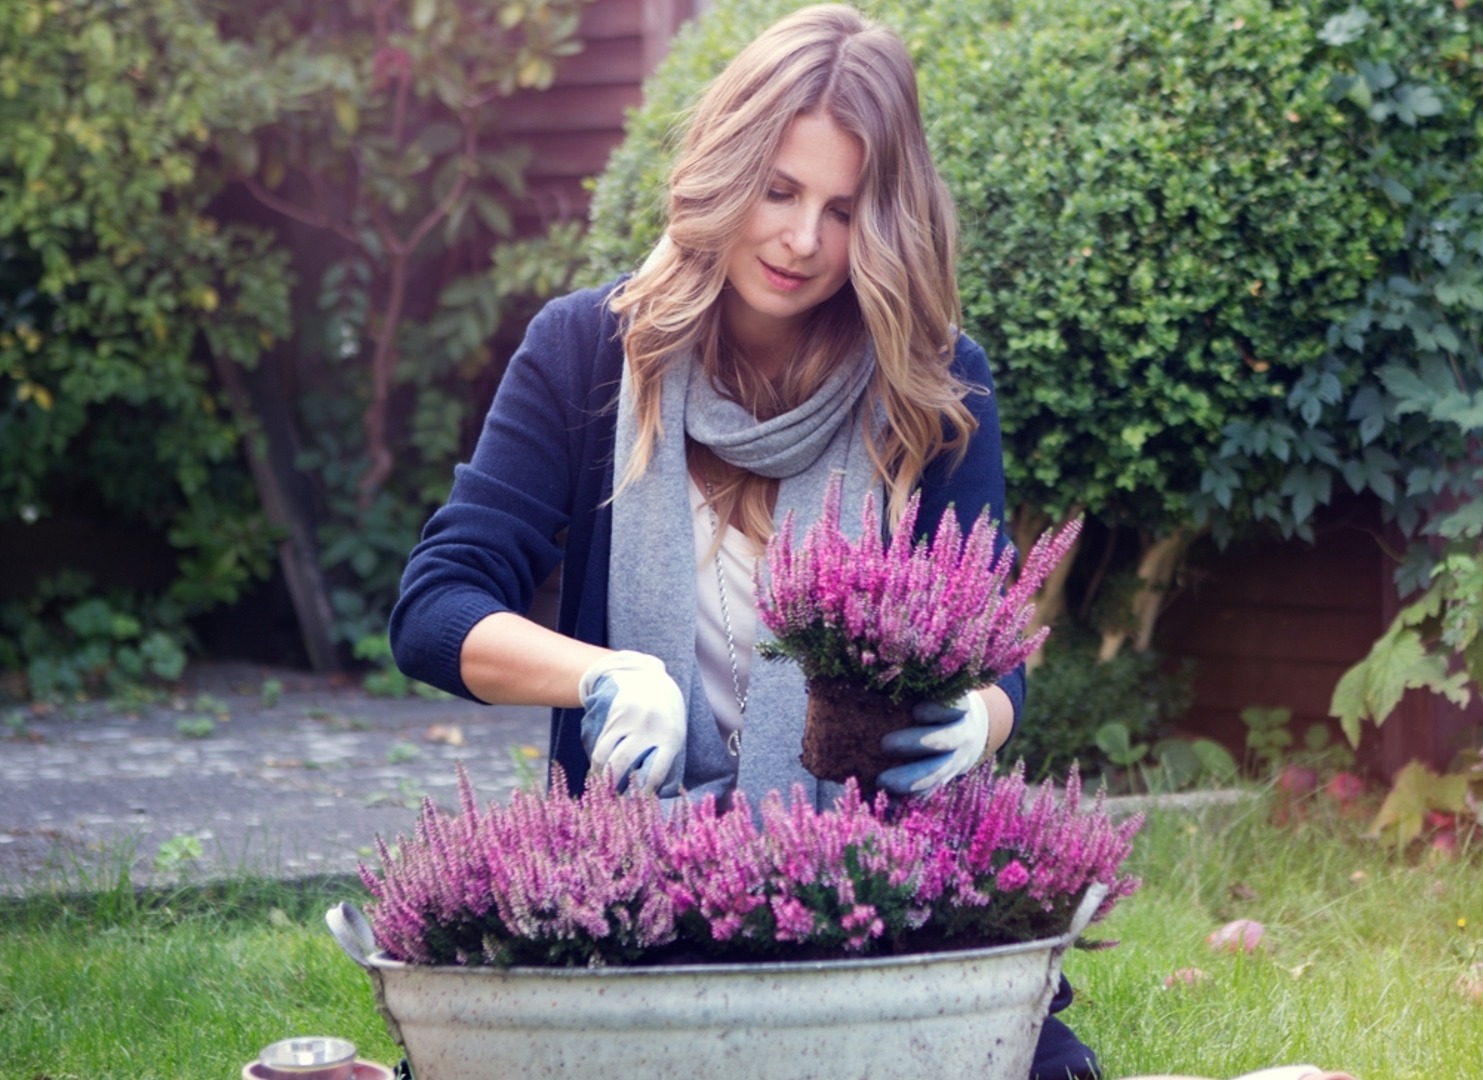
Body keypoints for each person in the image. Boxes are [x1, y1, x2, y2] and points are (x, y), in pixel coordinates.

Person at [388, 5, 1099, 1078]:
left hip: (867, 900)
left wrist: (976, 720)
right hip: (629, 898)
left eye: (844, 209)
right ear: (727, 170)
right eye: (778, 190)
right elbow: (435, 610)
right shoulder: (585, 353)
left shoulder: (932, 382)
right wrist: (604, 676)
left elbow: (996, 655)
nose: (801, 240)